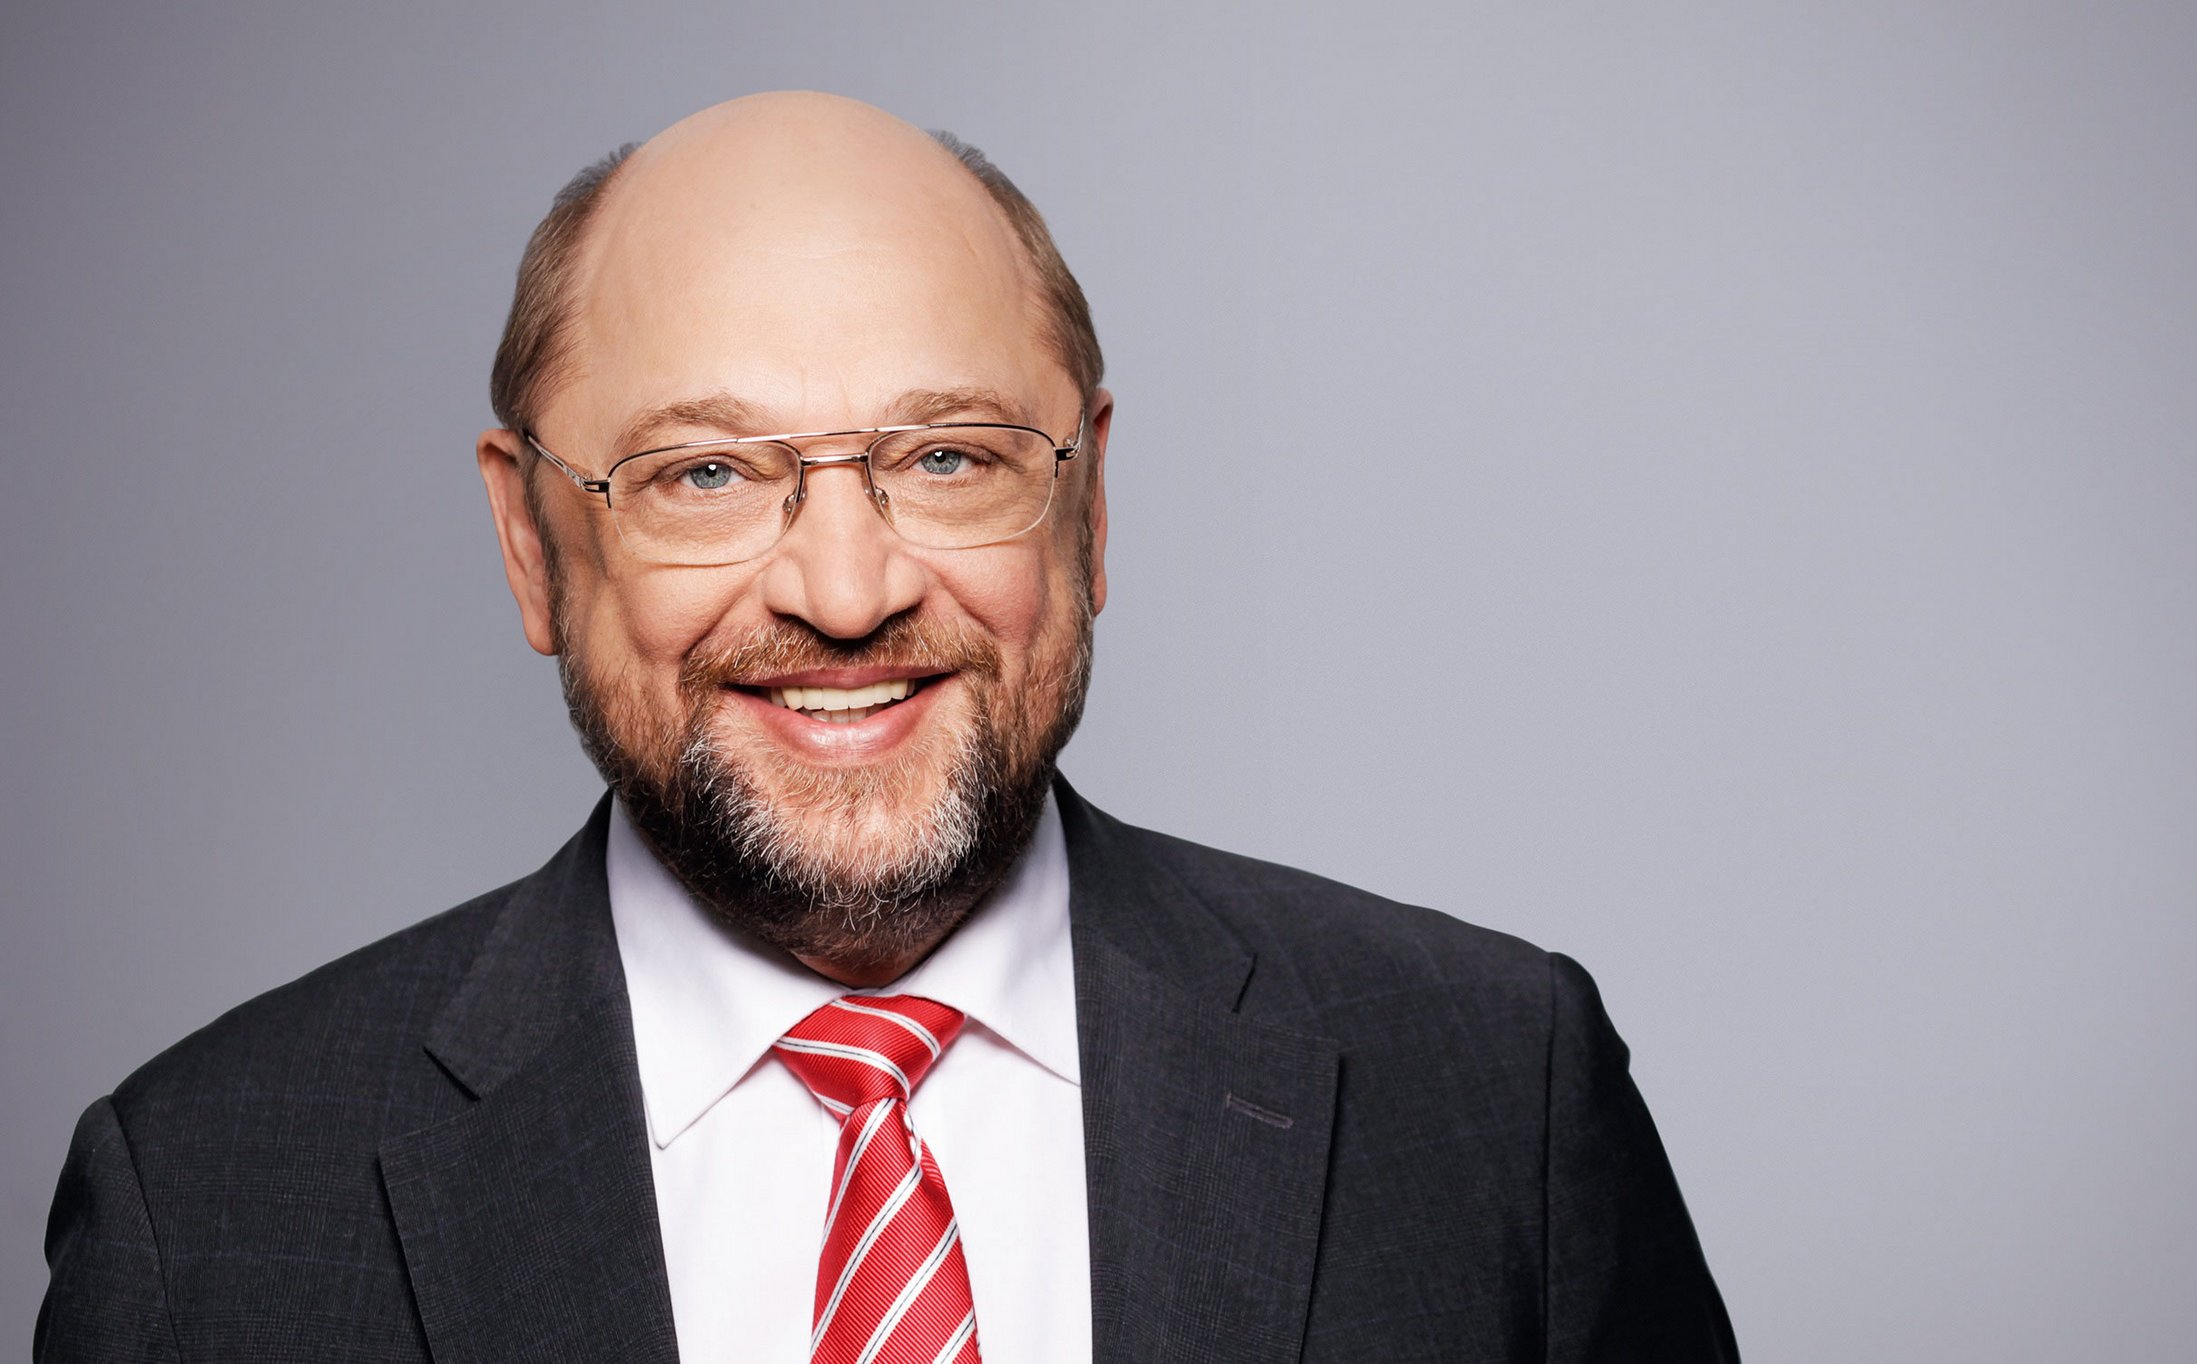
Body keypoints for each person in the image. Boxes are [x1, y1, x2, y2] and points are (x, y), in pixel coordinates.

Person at [38, 92, 1737, 1363]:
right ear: (530, 541)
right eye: (706, 472)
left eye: (948, 457)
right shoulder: (208, 1210)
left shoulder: (1494, 1096)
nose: (846, 594)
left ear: (1087, 504)